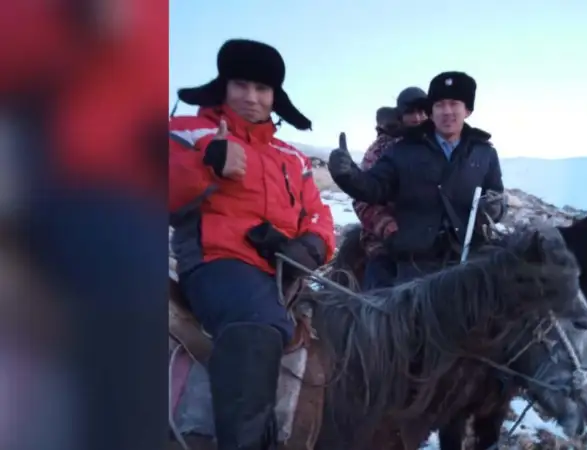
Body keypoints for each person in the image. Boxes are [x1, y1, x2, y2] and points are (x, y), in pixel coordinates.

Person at [168, 39, 336, 450]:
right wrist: (207, 167)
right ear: (222, 87)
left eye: (262, 89)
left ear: (275, 96)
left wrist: (312, 247)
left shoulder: (292, 157)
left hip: (280, 272)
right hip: (216, 262)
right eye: (240, 84)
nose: (251, 97)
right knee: (259, 322)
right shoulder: (189, 132)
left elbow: (318, 214)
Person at [329, 72, 507, 283]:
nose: (447, 111)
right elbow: (373, 187)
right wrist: (348, 175)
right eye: (440, 104)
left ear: (467, 110)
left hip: (468, 261)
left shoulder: (484, 153)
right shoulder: (403, 150)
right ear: (432, 111)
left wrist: (496, 208)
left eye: (454, 103)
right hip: (415, 264)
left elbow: (496, 197)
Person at [354, 87, 430, 289]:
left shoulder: (437, 145)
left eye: (422, 112)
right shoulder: (381, 150)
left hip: (428, 239)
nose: (418, 118)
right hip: (387, 241)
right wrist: (388, 228)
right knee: (379, 295)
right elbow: (362, 199)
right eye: (411, 113)